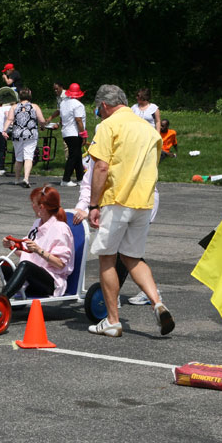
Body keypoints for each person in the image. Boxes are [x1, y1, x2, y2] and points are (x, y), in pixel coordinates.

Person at [86, 84, 173, 338]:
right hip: (144, 200)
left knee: (106, 257)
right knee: (133, 256)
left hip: (117, 199)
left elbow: (101, 166)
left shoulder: (108, 126)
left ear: (104, 105)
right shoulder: (148, 129)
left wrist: (93, 204)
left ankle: (112, 321)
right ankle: (157, 302)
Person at [3, 87, 47, 188]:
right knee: (28, 157)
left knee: (18, 158)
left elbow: (9, 119)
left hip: (17, 134)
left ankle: (17, 179)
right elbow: (41, 120)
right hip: (30, 134)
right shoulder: (35, 106)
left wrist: (4, 130)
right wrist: (43, 126)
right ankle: (26, 178)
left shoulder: (14, 107)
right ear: (30, 95)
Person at [59, 83, 87, 187]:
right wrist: (83, 134)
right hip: (74, 133)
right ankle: (66, 179)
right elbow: (78, 120)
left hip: (66, 132)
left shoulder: (64, 103)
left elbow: (61, 119)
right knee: (73, 156)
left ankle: (81, 178)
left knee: (77, 155)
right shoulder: (78, 105)